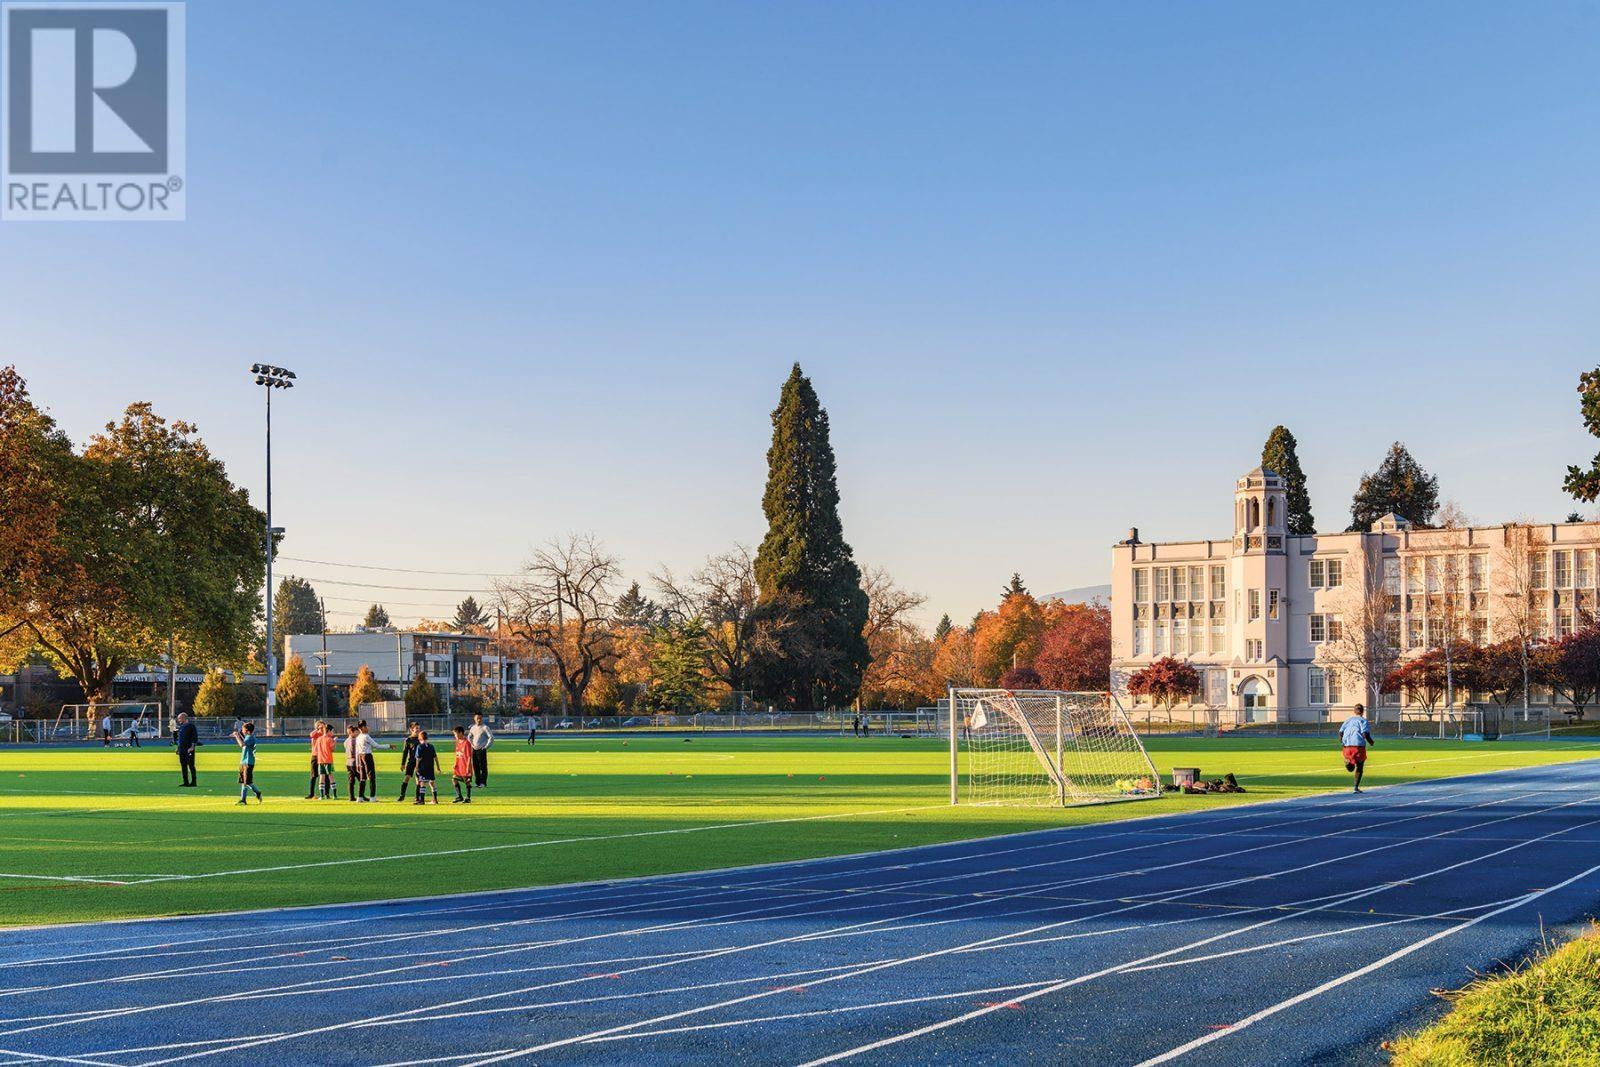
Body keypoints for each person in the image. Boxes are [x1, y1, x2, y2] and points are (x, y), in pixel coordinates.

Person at [1341, 702, 1375, 794]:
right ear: (1362, 711)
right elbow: (1365, 734)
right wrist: (1371, 742)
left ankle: (1349, 763)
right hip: (1358, 746)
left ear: (1354, 711)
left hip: (1347, 746)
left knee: (1351, 767)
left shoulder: (1348, 720)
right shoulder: (1363, 721)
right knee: (1359, 767)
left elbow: (1340, 732)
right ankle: (1355, 788)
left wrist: (1342, 742)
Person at [231, 721, 262, 805]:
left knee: (247, 782)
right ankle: (243, 799)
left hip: (248, 762)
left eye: (243, 729)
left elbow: (242, 744)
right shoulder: (248, 737)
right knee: (243, 781)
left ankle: (256, 792)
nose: (242, 730)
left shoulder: (250, 737)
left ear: (248, 731)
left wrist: (237, 736)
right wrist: (239, 735)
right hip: (244, 761)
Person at [412, 730, 440, 804]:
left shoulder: (420, 746)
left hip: (423, 768)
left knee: (422, 783)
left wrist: (416, 767)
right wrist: (438, 767)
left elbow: (418, 758)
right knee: (432, 783)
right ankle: (435, 800)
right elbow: (435, 757)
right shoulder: (431, 746)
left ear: (420, 738)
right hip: (431, 768)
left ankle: (422, 800)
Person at [467, 712, 493, 788]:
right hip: (474, 750)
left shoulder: (485, 727)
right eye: (477, 718)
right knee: (476, 767)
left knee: (483, 767)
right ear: (474, 718)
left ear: (482, 718)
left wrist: (485, 747)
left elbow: (491, 738)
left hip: (481, 750)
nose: (479, 720)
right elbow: (469, 737)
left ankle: (483, 783)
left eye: (480, 718)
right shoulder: (473, 728)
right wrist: (471, 745)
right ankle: (477, 782)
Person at [174, 711, 199, 787]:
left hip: (188, 749)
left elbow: (194, 737)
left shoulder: (191, 726)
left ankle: (194, 782)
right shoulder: (181, 727)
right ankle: (186, 782)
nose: (178, 720)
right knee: (183, 765)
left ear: (183, 718)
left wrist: (192, 747)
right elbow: (180, 739)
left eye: (179, 718)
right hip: (182, 750)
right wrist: (178, 748)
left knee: (191, 765)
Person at [312, 721, 336, 799]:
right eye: (332, 731)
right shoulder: (330, 739)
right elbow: (332, 749)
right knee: (330, 777)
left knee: (321, 778)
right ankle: (334, 795)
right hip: (328, 760)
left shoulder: (319, 739)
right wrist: (335, 741)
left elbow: (316, 748)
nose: (333, 733)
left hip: (320, 761)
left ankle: (321, 795)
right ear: (328, 731)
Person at [397, 722, 421, 801]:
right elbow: (405, 752)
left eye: (418, 728)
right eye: (416, 728)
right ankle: (402, 795)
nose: (418, 730)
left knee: (418, 779)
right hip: (411, 761)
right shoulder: (408, 740)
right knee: (407, 777)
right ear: (411, 729)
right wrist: (402, 764)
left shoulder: (421, 739)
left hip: (420, 762)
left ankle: (417, 797)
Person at [451, 725, 474, 804]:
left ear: (461, 733)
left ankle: (468, 798)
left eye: (455, 734)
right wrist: (455, 764)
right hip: (459, 766)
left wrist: (468, 767)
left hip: (465, 766)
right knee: (454, 779)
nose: (455, 736)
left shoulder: (467, 743)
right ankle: (459, 796)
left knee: (467, 782)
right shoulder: (457, 742)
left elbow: (469, 756)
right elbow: (457, 754)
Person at [345, 724, 366, 802]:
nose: (358, 733)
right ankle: (361, 795)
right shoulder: (355, 741)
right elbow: (356, 752)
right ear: (352, 732)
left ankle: (351, 796)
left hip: (348, 762)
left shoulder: (346, 741)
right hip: (355, 762)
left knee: (351, 780)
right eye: (357, 732)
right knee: (362, 779)